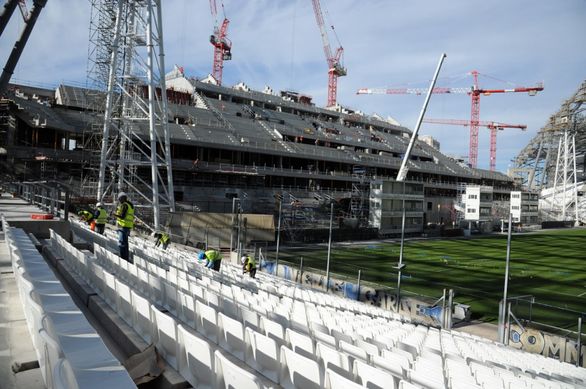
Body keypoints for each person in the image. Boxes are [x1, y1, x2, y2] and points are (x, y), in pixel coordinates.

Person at [112, 192, 134, 262]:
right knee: (125, 243)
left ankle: (123, 258)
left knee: (121, 243)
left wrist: (114, 215)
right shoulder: (130, 205)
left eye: (119, 199)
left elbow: (122, 216)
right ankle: (125, 257)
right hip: (128, 226)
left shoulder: (124, 205)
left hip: (123, 226)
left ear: (123, 198)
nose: (119, 201)